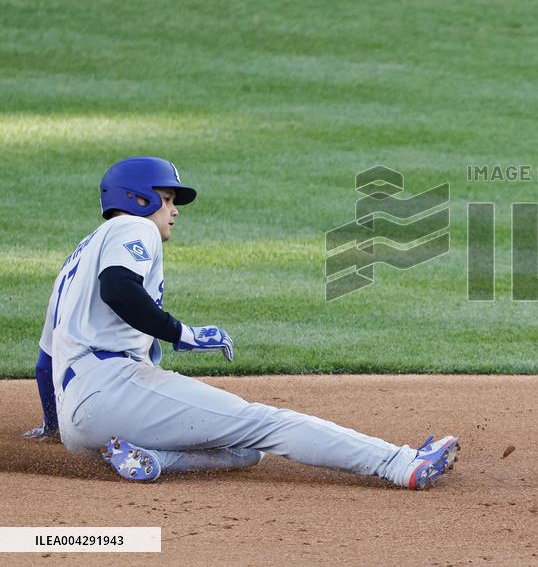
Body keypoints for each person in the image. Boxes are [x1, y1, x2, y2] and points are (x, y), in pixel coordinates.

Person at [29, 156, 459, 488]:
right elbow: (120, 289)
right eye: (167, 198)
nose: (174, 211)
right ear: (137, 199)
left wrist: (55, 428)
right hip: (114, 388)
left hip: (81, 425)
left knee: (245, 451)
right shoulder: (132, 229)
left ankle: (154, 459)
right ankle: (400, 463)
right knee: (266, 422)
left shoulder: (74, 262)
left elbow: (44, 364)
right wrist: (184, 334)